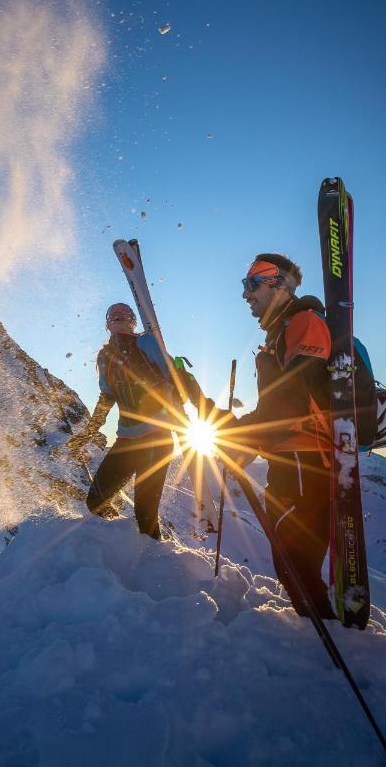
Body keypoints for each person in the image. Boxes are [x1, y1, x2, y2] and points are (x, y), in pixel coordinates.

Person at [209, 254, 336, 619]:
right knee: (291, 561)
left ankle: (327, 640)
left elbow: (289, 403)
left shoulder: (304, 323)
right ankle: (323, 634)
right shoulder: (279, 334)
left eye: (253, 283)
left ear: (279, 283)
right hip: (289, 460)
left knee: (293, 562)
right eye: (244, 285)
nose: (246, 294)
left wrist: (240, 434)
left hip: (306, 461)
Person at [68, 303, 182, 540]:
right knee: (95, 501)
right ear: (107, 324)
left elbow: (176, 378)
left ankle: (155, 561)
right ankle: (122, 543)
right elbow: (107, 396)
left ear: (133, 321)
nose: (120, 318)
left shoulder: (148, 343)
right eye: (114, 316)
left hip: (157, 438)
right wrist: (89, 432)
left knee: (145, 515)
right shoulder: (104, 357)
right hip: (127, 440)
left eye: (126, 315)